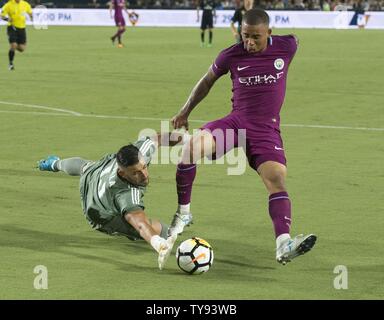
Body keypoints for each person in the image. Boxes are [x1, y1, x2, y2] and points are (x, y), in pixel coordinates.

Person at [169, 9, 317, 265]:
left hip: (265, 129)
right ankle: (184, 213)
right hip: (236, 122)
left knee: (277, 180)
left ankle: (283, 244)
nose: (249, 42)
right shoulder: (231, 54)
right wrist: (184, 111)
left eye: (255, 37)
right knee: (191, 147)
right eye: (245, 36)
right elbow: (206, 81)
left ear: (269, 33)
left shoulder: (286, 46)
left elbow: (296, 40)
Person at [38, 133, 184, 270]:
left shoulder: (137, 154)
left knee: (85, 167)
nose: (144, 175)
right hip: (100, 213)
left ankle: (53, 164)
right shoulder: (125, 194)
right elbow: (140, 224)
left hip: (96, 173)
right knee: (163, 231)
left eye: (144, 167)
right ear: (122, 173)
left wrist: (188, 140)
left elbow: (158, 138)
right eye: (136, 173)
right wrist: (158, 244)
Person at [1, 0, 33, 71]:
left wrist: (31, 16)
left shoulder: (25, 4)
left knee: (22, 48)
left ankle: (14, 47)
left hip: (22, 28)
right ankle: (11, 64)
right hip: (12, 27)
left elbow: (30, 12)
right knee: (14, 45)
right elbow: (2, 16)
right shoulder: (9, 4)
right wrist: (8, 19)